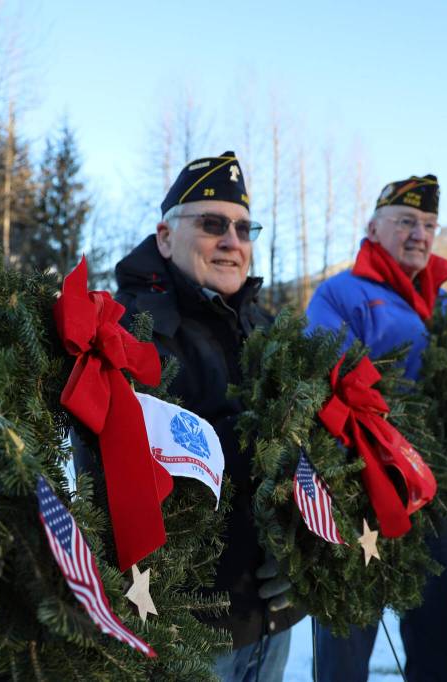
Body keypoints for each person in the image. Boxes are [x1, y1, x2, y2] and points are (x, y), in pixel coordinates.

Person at [114, 151, 305, 682]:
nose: (232, 241)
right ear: (165, 236)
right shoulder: (129, 331)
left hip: (271, 619)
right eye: (212, 224)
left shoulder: (271, 331)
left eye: (244, 228)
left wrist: (307, 546)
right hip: (185, 634)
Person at [306, 175, 447, 681]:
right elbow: (327, 382)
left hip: (438, 499)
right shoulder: (340, 294)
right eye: (406, 221)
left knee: (442, 648)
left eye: (429, 224)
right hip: (362, 492)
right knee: (345, 648)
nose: (419, 234)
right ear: (373, 227)